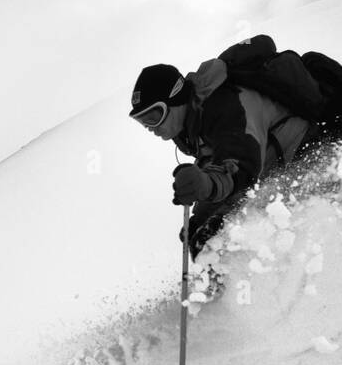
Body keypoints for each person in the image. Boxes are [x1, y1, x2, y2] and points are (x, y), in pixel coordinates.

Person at [129, 41, 327, 261]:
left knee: (224, 232)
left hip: (309, 155)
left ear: (176, 98)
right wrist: (199, 217)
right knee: (206, 233)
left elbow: (240, 163)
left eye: (154, 116)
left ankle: (260, 282)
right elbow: (216, 163)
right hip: (275, 168)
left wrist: (204, 187)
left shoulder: (225, 105)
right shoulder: (194, 124)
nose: (150, 127)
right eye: (143, 121)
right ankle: (226, 288)